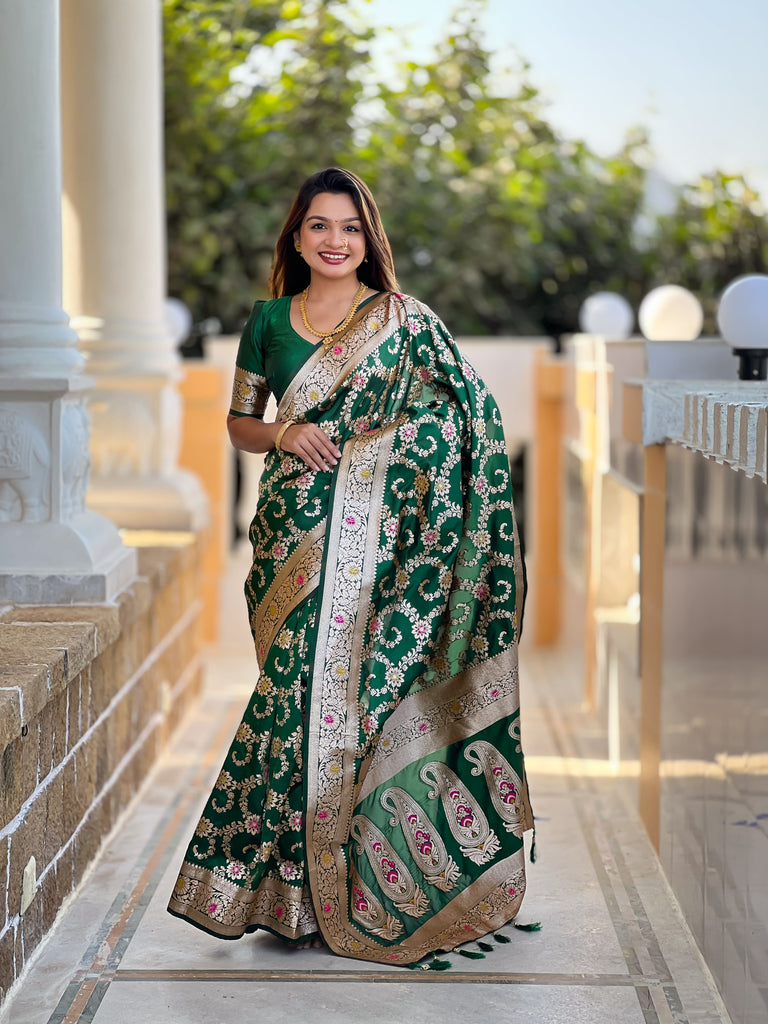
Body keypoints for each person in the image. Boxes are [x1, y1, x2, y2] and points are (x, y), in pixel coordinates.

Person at [167, 167, 533, 966]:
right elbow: (239, 424)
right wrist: (286, 435)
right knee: (291, 699)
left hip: (386, 547)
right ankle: (285, 890)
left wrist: (377, 458)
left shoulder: (404, 321)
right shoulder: (267, 321)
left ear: (370, 239)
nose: (336, 242)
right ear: (296, 236)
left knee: (344, 703)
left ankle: (342, 884)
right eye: (320, 226)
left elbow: (466, 417)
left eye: (351, 228)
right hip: (292, 530)